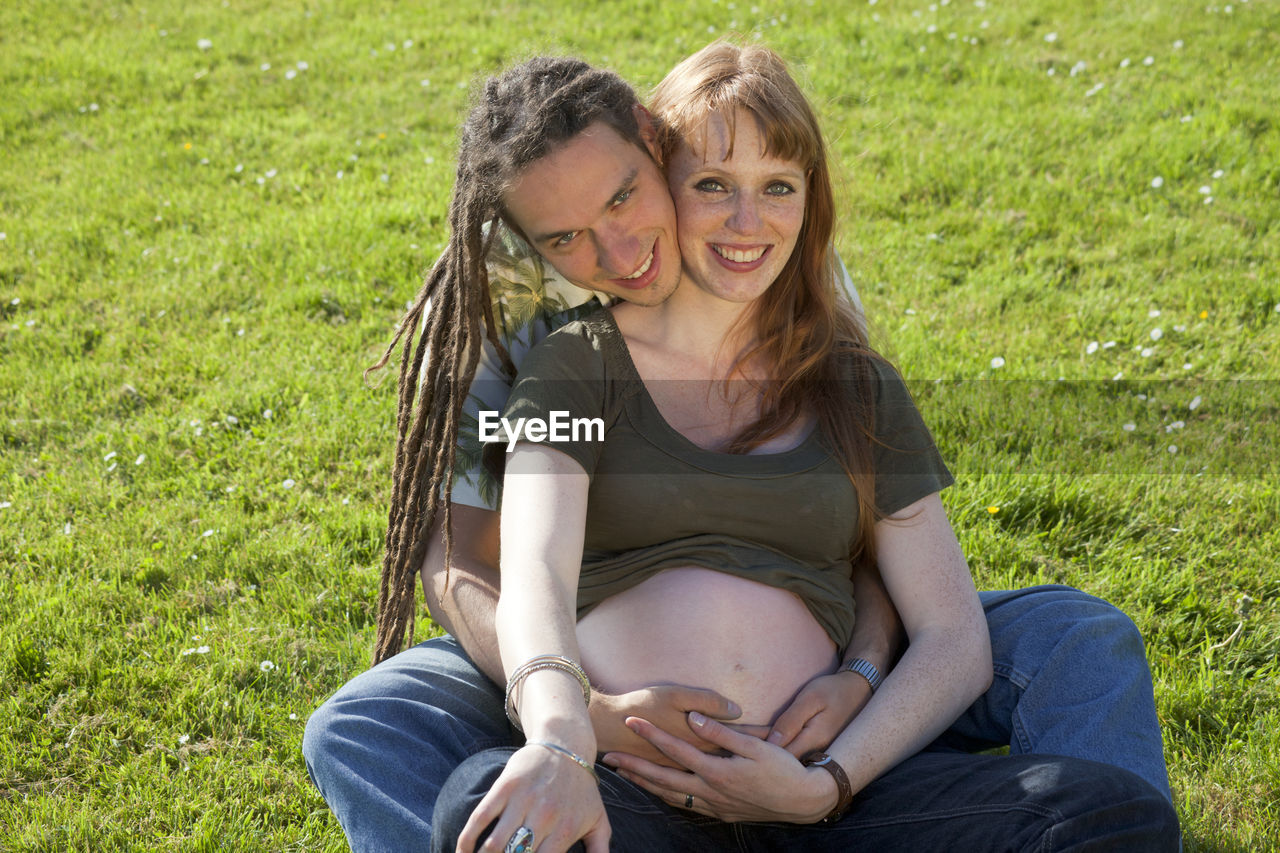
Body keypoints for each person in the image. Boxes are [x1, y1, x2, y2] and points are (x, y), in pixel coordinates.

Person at [303, 45, 1179, 853]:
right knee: (432, 767)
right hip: (626, 749)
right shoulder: (543, 339)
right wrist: (574, 722)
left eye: (621, 199)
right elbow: (492, 563)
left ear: (654, 149)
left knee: (1094, 752)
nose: (616, 248)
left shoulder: (809, 311)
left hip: (828, 753)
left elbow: (893, 563)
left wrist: (852, 708)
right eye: (565, 237)